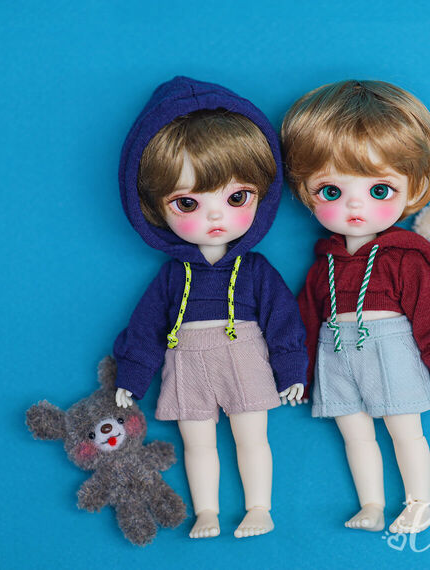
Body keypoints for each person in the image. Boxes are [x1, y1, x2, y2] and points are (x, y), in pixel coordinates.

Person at [113, 76, 307, 539]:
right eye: (187, 203)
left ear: (262, 194)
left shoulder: (255, 269)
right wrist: (132, 376)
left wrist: (292, 369)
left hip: (244, 354)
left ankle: (259, 508)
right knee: (196, 443)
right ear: (153, 208)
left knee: (251, 437)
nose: (215, 215)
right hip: (186, 360)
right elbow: (146, 328)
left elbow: (283, 319)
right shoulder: (172, 276)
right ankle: (207, 512)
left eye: (237, 197)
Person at [281, 79, 430, 534]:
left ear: (415, 188)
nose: (355, 205)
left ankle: (419, 503)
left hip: (389, 347)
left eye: (380, 190)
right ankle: (371, 504)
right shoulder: (322, 263)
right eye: (331, 191)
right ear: (305, 190)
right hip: (334, 351)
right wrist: (297, 372)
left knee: (405, 429)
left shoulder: (405, 257)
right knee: (354, 432)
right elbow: (304, 320)